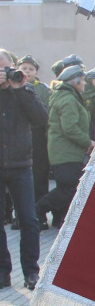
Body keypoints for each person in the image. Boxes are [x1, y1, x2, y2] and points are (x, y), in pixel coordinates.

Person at [0, 49, 48, 290]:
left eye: (6, 68)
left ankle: (31, 271)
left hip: (21, 165)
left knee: (29, 219)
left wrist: (18, 89)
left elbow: (41, 118)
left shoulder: (24, 91)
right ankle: (2, 272)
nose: (3, 74)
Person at [37, 63, 91, 232]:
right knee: (68, 190)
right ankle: (36, 211)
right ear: (74, 81)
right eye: (82, 80)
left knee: (68, 189)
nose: (84, 84)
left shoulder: (69, 97)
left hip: (67, 152)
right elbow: (70, 128)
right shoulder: (68, 99)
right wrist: (88, 142)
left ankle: (61, 221)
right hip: (66, 153)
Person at [17, 55, 51, 227]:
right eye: (24, 68)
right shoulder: (11, 87)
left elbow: (45, 114)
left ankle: (41, 216)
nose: (27, 72)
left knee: (39, 177)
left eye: (30, 69)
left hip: (38, 136)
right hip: (19, 136)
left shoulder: (43, 89)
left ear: (36, 72)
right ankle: (19, 217)